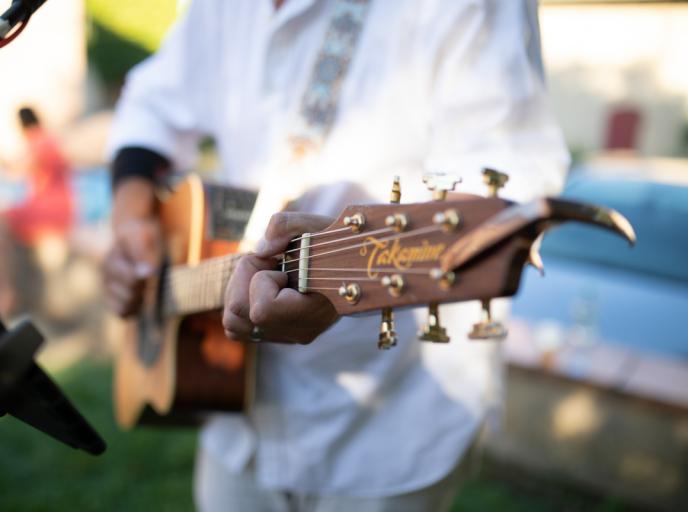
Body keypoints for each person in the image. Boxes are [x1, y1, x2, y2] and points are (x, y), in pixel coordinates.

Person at [104, 1, 568, 510]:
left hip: (390, 424)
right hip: (235, 411)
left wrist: (334, 278)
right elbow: (153, 103)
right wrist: (131, 216)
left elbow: (506, 174)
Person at [0, 106, 73, 317]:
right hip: (46, 207)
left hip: (49, 210)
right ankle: (5, 292)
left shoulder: (41, 140)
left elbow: (17, 169)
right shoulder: (45, 140)